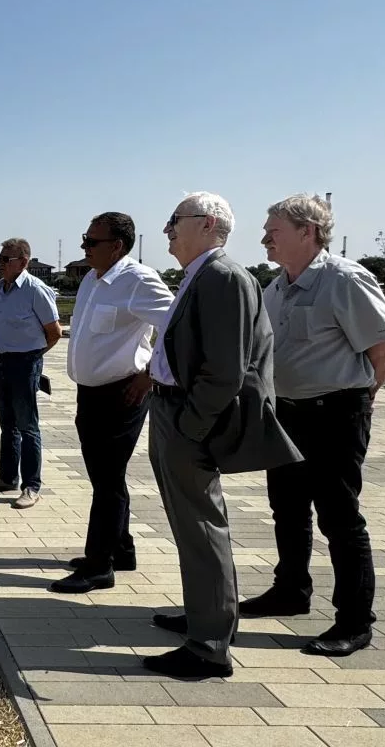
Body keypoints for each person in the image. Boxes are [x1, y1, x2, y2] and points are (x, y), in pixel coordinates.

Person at [141, 192, 302, 679]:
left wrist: (190, 426)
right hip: (172, 412)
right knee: (191, 528)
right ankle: (207, 617)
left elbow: (226, 370)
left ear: (208, 224)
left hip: (188, 421)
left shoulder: (223, 277)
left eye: (175, 220)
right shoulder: (201, 274)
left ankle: (209, 646)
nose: (168, 230)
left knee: (201, 528)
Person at [240, 194, 385, 656]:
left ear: (307, 231)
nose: (265, 238)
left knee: (339, 518)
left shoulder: (344, 280)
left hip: (335, 415)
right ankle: (291, 591)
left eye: (274, 230)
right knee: (287, 509)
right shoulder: (275, 288)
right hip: (286, 415)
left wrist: (360, 401)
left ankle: (354, 621)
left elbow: (384, 352)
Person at [49, 212, 174, 594]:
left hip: (122, 394)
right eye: (84, 239)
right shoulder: (93, 279)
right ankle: (121, 549)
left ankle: (98, 566)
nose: (84, 247)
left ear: (117, 246)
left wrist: (150, 372)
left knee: (106, 480)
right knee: (106, 477)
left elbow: (178, 324)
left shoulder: (137, 280)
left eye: (92, 242)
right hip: (91, 393)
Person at [0, 238, 62, 509]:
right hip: (2, 360)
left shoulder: (35, 290)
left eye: (5, 260)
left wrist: (33, 358)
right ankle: (7, 476)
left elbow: (54, 332)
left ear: (23, 262)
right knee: (7, 424)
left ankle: (31, 486)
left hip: (26, 362)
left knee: (27, 426)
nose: (0, 264)